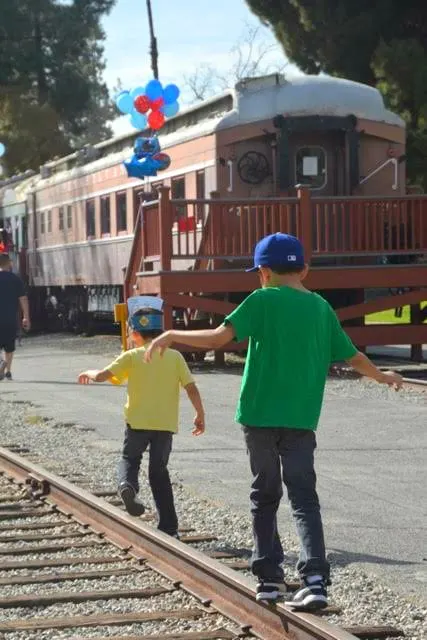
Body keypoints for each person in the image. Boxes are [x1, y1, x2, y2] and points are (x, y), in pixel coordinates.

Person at [144, 232, 403, 608]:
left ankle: (269, 579)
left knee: (264, 496)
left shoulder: (261, 300)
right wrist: (385, 377)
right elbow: (354, 358)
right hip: (301, 419)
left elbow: (218, 338)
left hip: (260, 418)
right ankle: (315, 579)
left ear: (263, 272)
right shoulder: (320, 307)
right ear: (305, 269)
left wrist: (170, 335)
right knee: (304, 498)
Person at [78, 307, 205, 538]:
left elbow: (103, 375)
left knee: (130, 459)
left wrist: (88, 371)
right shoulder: (174, 356)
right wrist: (199, 414)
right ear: (160, 331)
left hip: (137, 422)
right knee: (158, 472)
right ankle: (169, 527)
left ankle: (128, 485)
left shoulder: (132, 356)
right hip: (164, 425)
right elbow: (191, 387)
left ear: (134, 333)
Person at [0, 252, 31, 380]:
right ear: (9, 264)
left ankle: (1, 363)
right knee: (9, 346)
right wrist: (26, 317)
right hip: (10, 319)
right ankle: (8, 371)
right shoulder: (15, 279)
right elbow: (23, 299)